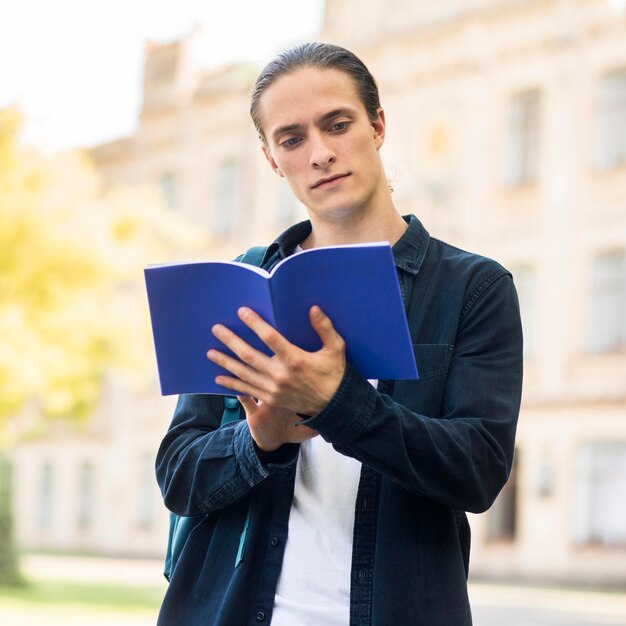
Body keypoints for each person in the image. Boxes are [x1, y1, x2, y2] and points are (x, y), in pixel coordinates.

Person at [155, 42, 523, 626]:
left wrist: (338, 404)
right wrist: (261, 438)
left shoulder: (472, 288)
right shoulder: (239, 284)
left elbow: (476, 473)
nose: (320, 153)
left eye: (338, 124)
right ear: (273, 159)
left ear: (377, 126)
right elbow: (179, 475)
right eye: (292, 138)